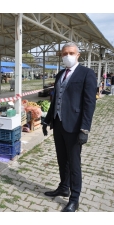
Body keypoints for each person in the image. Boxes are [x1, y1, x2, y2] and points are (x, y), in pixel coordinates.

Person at [42, 42, 97, 212]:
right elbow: (55, 100)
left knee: (74, 163)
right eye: (65, 53)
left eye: (71, 53)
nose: (68, 56)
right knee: (61, 159)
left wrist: (85, 129)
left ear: (78, 54)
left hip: (74, 126)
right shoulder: (60, 75)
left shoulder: (87, 74)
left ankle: (74, 198)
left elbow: (89, 103)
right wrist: (47, 120)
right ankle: (63, 187)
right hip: (59, 124)